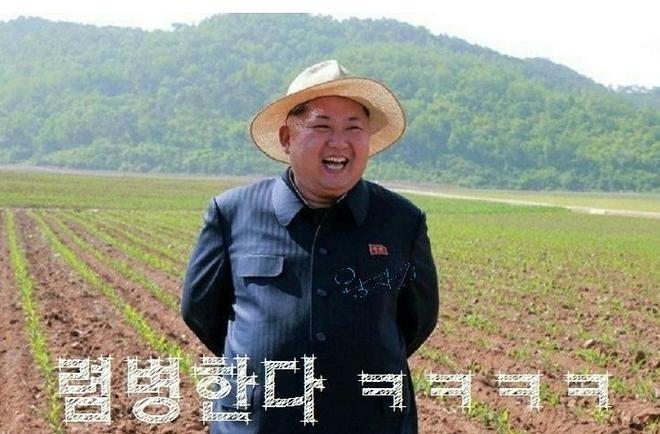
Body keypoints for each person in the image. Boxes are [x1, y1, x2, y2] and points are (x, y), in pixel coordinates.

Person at [181, 59, 439, 434]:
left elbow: (417, 321)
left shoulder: (402, 222)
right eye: (322, 126)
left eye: (354, 128)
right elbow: (201, 312)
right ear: (287, 138)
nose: (339, 142)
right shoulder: (232, 213)